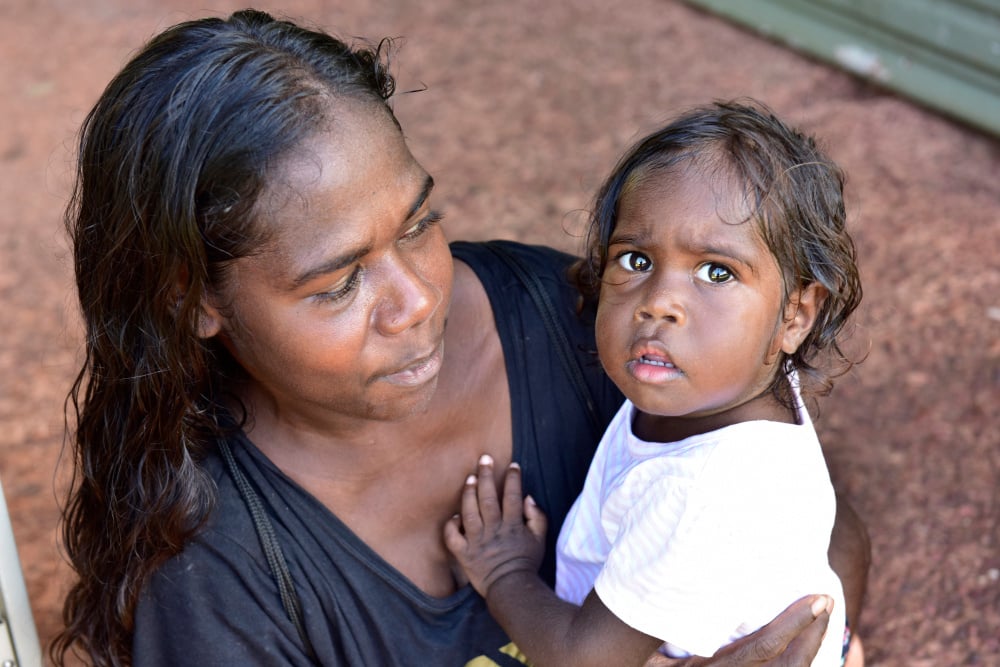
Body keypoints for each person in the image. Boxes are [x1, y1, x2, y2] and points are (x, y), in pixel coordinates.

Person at [54, 10, 868, 667]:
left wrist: (810, 636)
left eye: (418, 225)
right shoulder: (215, 572)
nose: (417, 300)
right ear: (193, 299)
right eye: (339, 282)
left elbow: (814, 520)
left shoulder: (578, 323)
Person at [444, 101, 865, 667]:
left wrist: (503, 572)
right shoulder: (737, 383)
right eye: (636, 260)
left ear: (795, 315)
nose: (658, 302)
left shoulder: (697, 490)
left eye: (716, 272)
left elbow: (583, 659)